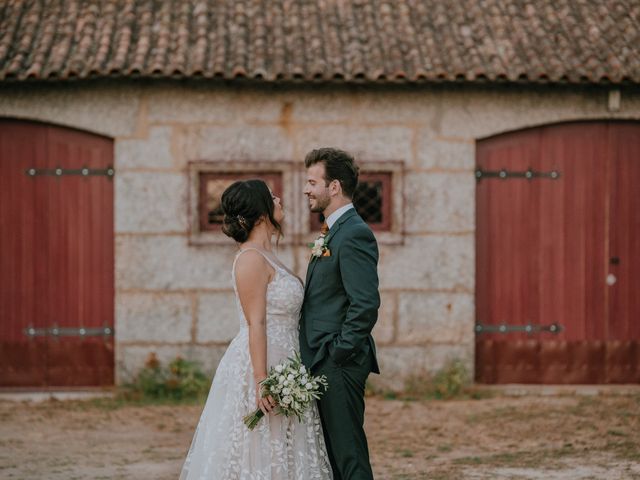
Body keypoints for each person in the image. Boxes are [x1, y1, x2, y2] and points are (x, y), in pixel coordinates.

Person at [180, 179, 332, 480]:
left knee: (285, 444)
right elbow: (256, 322)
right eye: (271, 196)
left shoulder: (268, 255)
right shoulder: (250, 259)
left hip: (286, 358)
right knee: (261, 444)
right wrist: (263, 380)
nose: (279, 199)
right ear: (261, 213)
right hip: (260, 363)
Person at [300, 148, 381, 480]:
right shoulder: (332, 230)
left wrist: (339, 353)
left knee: (349, 457)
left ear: (333, 187)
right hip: (324, 359)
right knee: (331, 456)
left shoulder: (354, 233)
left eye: (311, 181)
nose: (306, 189)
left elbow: (365, 305)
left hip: (339, 361)